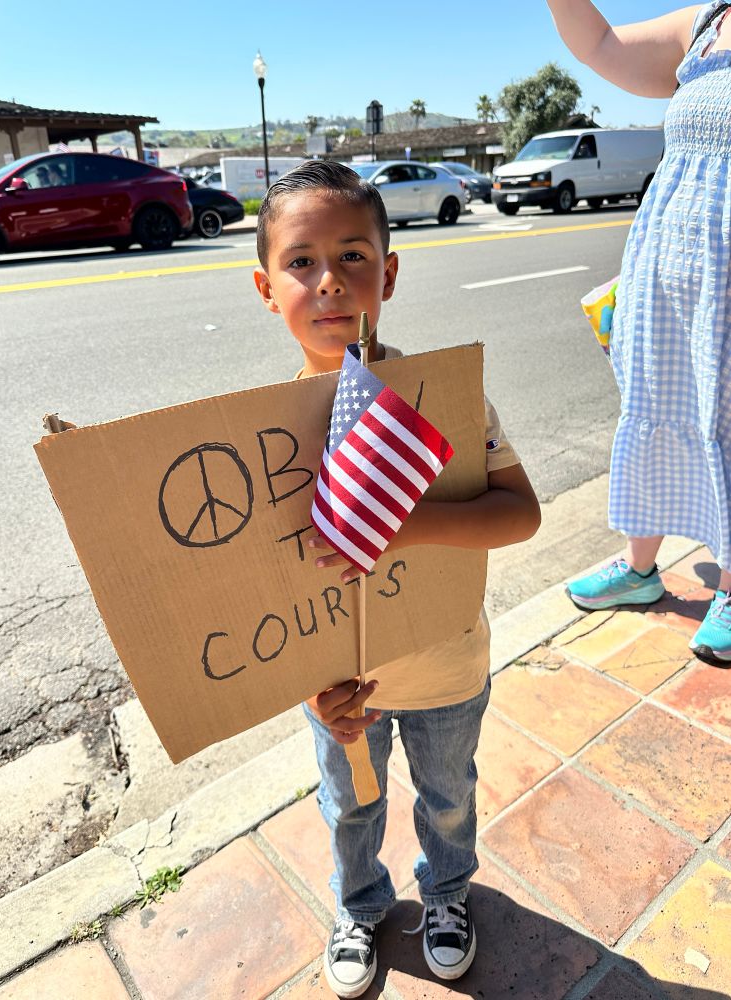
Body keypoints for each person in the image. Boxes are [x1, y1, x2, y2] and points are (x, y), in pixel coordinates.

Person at [253, 161, 541, 997]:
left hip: (447, 669)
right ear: (267, 288)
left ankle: (447, 894)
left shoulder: (444, 399)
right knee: (349, 808)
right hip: (337, 682)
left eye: (353, 256)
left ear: (390, 272)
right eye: (301, 262)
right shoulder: (258, 442)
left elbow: (518, 513)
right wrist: (308, 688)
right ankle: (361, 903)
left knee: (448, 797)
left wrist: (403, 520)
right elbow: (254, 594)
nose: (330, 282)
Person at [548, 0, 731, 666]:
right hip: (669, 258)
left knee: (728, 417)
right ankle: (640, 566)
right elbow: (597, 41)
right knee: (651, 404)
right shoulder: (707, 22)